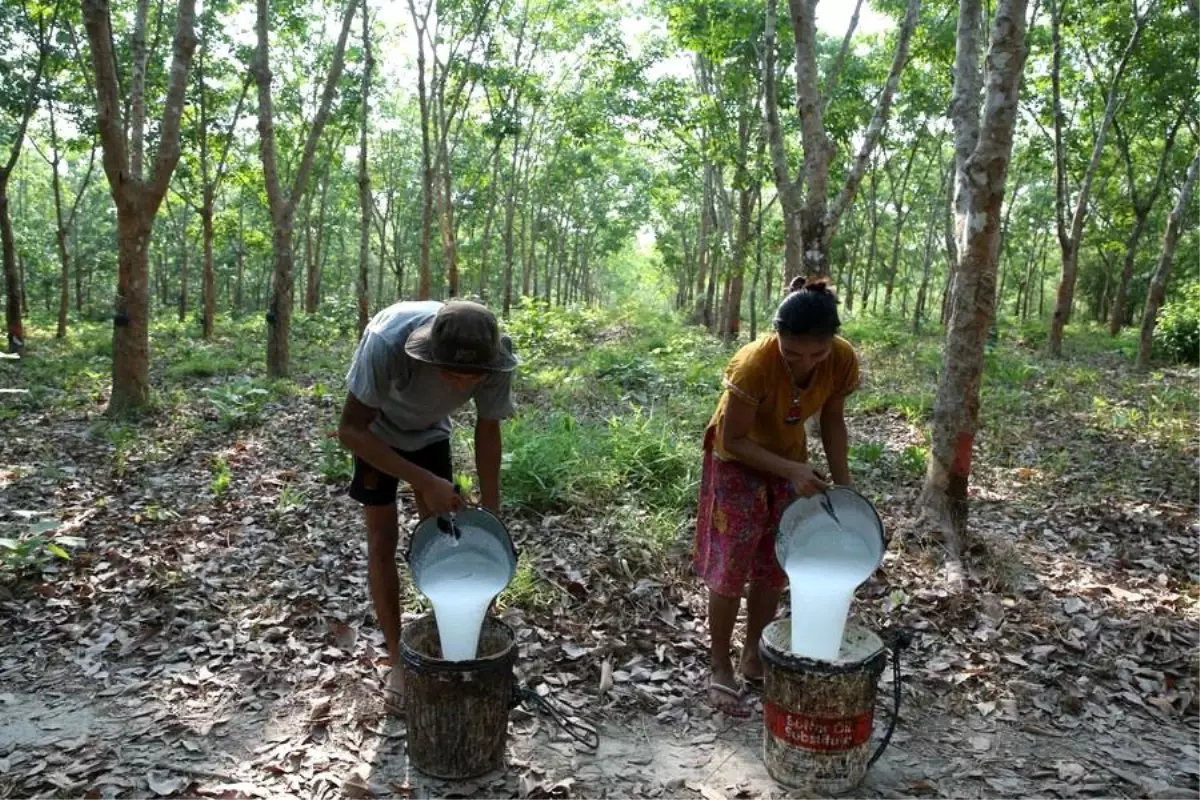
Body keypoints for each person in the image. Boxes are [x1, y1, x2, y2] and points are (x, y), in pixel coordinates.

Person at [337, 299, 518, 714]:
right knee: (383, 539)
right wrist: (425, 481)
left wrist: (492, 513)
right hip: (375, 432)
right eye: (449, 374)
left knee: (445, 540)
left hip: (430, 433)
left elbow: (487, 429)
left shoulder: (498, 357)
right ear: (428, 355)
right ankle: (399, 662)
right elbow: (349, 429)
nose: (458, 387)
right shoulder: (386, 343)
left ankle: (450, 645)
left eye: (468, 379)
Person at [694, 278, 860, 717]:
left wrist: (844, 488)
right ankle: (719, 665)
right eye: (794, 353)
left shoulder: (842, 360)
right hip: (736, 462)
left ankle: (754, 653)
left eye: (816, 353)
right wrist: (792, 471)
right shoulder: (754, 364)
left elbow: (832, 422)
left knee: (774, 561)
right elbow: (734, 438)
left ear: (832, 344)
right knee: (731, 563)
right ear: (777, 338)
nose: (806, 362)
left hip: (789, 458)